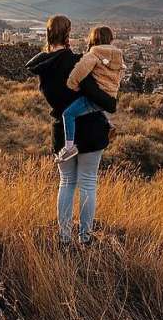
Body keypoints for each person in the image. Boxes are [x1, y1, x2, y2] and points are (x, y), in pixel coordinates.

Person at [25, 15, 117, 245]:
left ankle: (64, 238)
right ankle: (85, 237)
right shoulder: (76, 62)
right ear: (68, 34)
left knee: (66, 183)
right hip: (91, 131)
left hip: (61, 130)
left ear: (48, 33)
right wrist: (111, 105)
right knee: (87, 183)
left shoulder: (42, 67)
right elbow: (97, 95)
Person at [57, 25, 124, 163]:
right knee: (95, 109)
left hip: (94, 98)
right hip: (108, 96)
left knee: (68, 114)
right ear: (110, 39)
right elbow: (120, 74)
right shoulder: (118, 56)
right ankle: (108, 123)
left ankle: (69, 147)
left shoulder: (94, 54)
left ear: (94, 38)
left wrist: (72, 85)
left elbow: (79, 71)